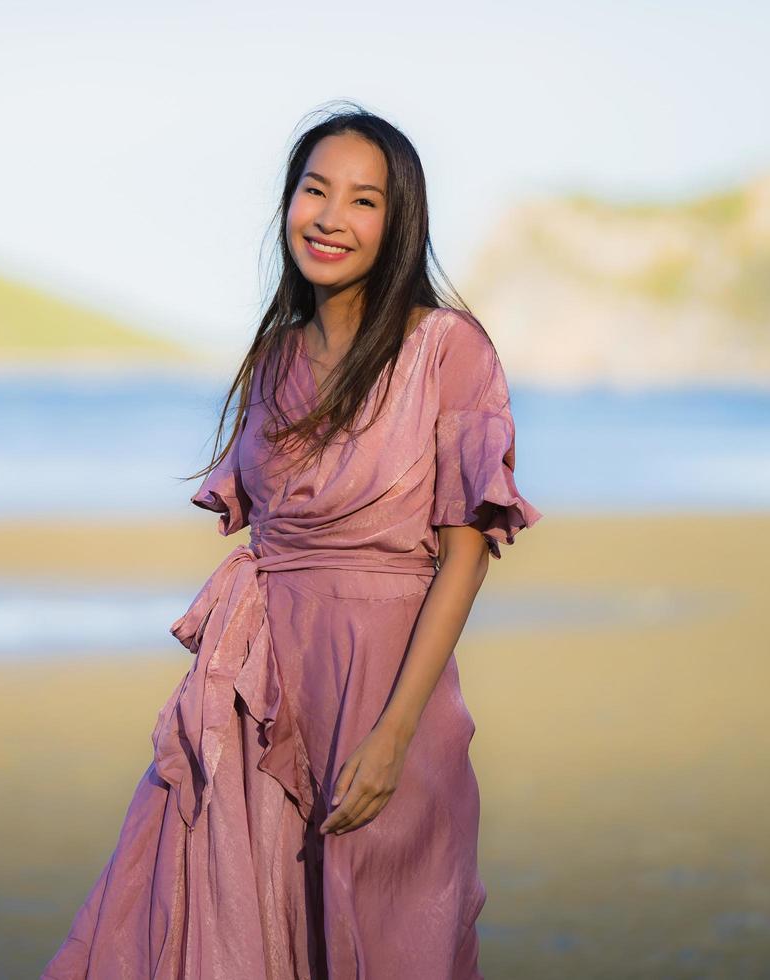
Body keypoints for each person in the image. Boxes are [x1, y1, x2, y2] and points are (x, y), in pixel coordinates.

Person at [42, 104, 542, 980]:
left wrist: (392, 736)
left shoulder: (446, 349)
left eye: (362, 201)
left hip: (387, 682)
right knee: (222, 923)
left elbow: (463, 552)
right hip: (258, 688)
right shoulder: (273, 358)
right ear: (287, 204)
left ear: (399, 224)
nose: (330, 217)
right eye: (315, 191)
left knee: (390, 937)